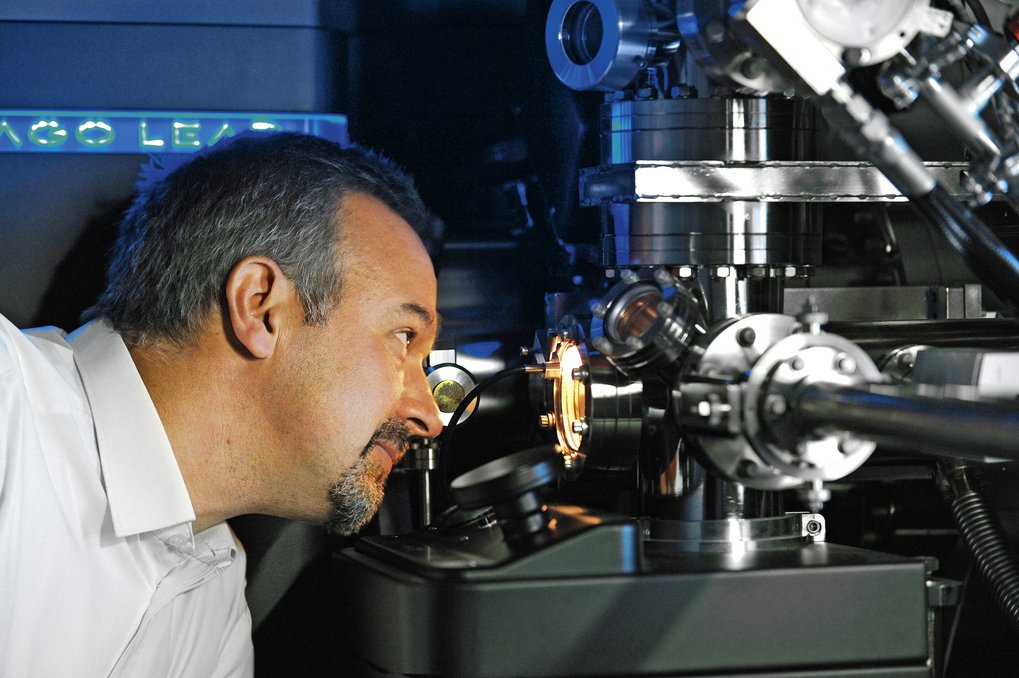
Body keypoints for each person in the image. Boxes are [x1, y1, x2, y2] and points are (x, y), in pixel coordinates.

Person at [0, 132, 444, 677]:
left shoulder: (215, 588)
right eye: (404, 337)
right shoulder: (9, 407)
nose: (430, 416)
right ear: (259, 307)